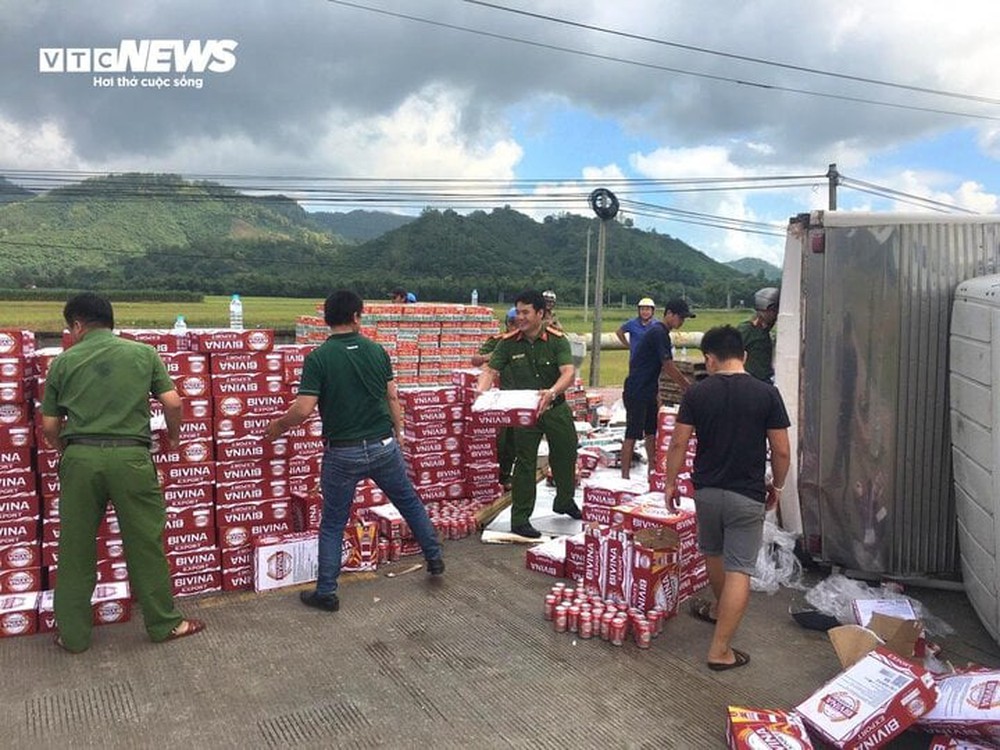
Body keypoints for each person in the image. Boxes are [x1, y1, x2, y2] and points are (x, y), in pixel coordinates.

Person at [40, 292, 205, 653]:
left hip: (80, 458)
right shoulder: (143, 354)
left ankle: (74, 635)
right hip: (131, 458)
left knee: (76, 547)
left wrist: (66, 451)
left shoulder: (63, 362)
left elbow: (50, 424)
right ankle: (165, 624)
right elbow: (173, 402)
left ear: (78, 325)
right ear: (110, 322)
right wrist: (174, 438)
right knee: (145, 542)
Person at [266, 289, 444, 612]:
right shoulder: (377, 352)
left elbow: (304, 408)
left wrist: (277, 427)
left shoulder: (319, 359)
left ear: (327, 320)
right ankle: (434, 558)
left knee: (333, 522)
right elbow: (392, 398)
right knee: (408, 501)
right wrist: (400, 433)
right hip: (383, 446)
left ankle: (326, 592)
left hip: (342, 453)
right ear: (357, 316)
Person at [661, 325, 790, 671]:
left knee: (714, 553)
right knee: (740, 568)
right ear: (744, 356)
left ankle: (720, 610)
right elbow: (780, 450)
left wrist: (669, 483)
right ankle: (720, 650)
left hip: (706, 492)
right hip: (745, 494)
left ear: (710, 359)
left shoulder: (697, 394)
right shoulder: (767, 394)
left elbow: (678, 443)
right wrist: (776, 487)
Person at [477, 290, 579, 538]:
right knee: (524, 463)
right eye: (518, 312)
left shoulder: (557, 341)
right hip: (525, 414)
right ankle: (520, 519)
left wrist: (552, 392)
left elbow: (568, 372)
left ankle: (564, 501)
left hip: (555, 407)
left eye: (526, 312)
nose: (520, 317)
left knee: (566, 454)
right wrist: (481, 394)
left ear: (540, 314)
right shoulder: (508, 343)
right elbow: (490, 371)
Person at [620, 298, 695, 480]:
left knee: (651, 431)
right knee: (632, 433)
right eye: (680, 317)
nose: (681, 322)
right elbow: (668, 365)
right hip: (637, 388)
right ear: (669, 314)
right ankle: (625, 477)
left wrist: (657, 392)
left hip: (648, 388)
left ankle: (652, 471)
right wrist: (687, 387)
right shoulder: (658, 332)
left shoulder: (660, 333)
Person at [471, 307, 518, 488]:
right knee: (500, 439)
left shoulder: (525, 343)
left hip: (518, 396)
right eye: (512, 323)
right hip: (499, 397)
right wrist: (494, 356)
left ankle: (506, 475)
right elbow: (475, 359)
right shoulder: (498, 341)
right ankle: (495, 476)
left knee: (514, 440)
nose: (515, 327)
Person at [738, 287, 780, 382]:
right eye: (773, 310)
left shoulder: (767, 331)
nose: (776, 315)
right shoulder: (746, 330)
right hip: (751, 381)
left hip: (766, 379)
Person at [615, 297, 657, 362]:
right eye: (642, 309)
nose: (645, 312)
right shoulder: (632, 323)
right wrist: (627, 345)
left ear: (652, 311)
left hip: (652, 360)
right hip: (636, 360)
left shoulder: (657, 325)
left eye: (648, 309)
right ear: (639, 311)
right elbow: (619, 332)